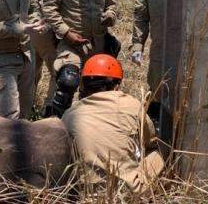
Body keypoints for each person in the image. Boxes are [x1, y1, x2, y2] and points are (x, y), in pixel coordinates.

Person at [62, 54, 164, 193]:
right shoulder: (131, 104)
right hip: (126, 193)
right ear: (116, 86)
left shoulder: (69, 114)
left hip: (83, 193)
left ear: (83, 84)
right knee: (160, 152)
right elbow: (150, 141)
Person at [42, 0, 118, 117]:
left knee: (96, 89)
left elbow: (112, 5)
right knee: (68, 81)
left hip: (98, 43)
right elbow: (48, 7)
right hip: (71, 42)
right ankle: (55, 123)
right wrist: (66, 32)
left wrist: (110, 15)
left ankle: (85, 125)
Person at [130, 0, 166, 126]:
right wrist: (137, 46)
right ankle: (154, 128)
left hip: (186, 51)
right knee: (157, 89)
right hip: (159, 50)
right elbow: (140, 19)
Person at [27, 0, 60, 107]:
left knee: (32, 72)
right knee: (57, 72)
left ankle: (27, 105)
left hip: (25, 31)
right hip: (43, 31)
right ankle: (50, 108)